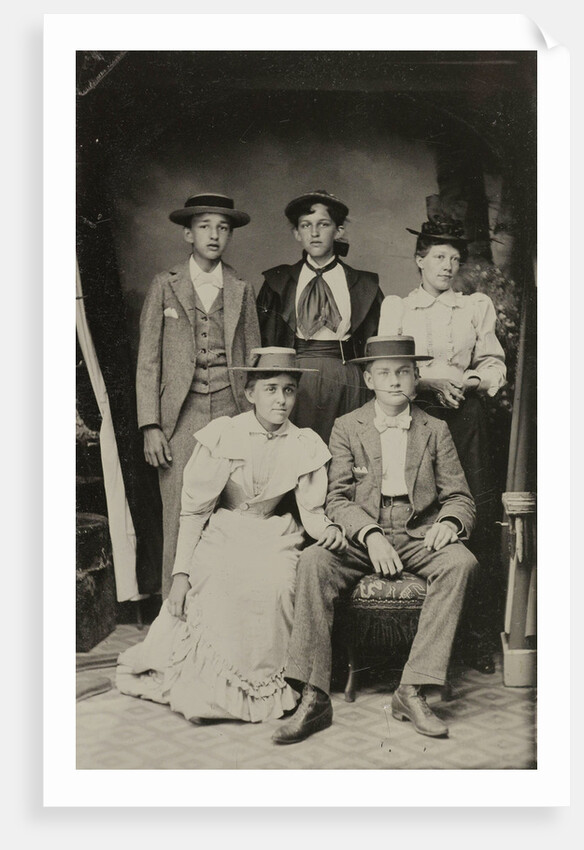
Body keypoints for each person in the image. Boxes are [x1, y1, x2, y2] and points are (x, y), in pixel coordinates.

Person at [117, 347, 346, 724]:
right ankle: (211, 696)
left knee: (278, 582)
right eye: (270, 389)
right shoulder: (226, 435)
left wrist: (331, 530)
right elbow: (193, 513)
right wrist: (180, 576)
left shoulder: (303, 443)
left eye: (289, 390)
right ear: (250, 393)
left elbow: (313, 514)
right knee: (221, 581)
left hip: (273, 534)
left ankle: (269, 687)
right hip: (226, 530)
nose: (281, 400)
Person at [273, 335, 477, 744]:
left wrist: (450, 523)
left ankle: (412, 689)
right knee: (313, 562)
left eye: (404, 372)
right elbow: (336, 497)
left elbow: (460, 496)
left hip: (419, 530)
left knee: (461, 563)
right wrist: (369, 534)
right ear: (368, 378)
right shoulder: (348, 427)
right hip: (363, 529)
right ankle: (314, 696)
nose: (395, 381)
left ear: (417, 379)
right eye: (384, 373)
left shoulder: (435, 430)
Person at [378, 197, 507, 673]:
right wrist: (429, 381)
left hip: (466, 416)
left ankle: (473, 637)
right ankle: (411, 634)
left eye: (455, 259)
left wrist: (467, 380)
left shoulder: (474, 306)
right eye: (438, 257)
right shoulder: (400, 306)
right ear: (419, 259)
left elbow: (493, 363)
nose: (448, 266)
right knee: (421, 509)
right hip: (417, 412)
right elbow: (389, 362)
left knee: (474, 507)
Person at [136, 193, 260, 598]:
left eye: (223, 228)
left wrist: (253, 420)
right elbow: (148, 362)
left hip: (232, 409)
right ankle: (174, 622)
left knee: (233, 513)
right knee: (178, 515)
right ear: (188, 233)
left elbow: (253, 358)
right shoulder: (164, 284)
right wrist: (150, 424)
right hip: (179, 415)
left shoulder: (242, 288)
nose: (215, 235)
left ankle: (225, 617)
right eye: (205, 226)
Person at [257, 189, 384, 443]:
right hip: (295, 380)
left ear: (338, 231)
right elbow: (265, 342)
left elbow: (375, 345)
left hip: (346, 378)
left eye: (323, 224)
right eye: (306, 225)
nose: (314, 233)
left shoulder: (363, 284)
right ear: (296, 233)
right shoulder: (278, 282)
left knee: (346, 451)